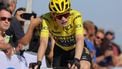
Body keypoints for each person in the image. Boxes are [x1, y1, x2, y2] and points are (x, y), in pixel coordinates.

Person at [36, 0, 91, 69]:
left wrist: (76, 59)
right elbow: (43, 42)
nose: (64, 19)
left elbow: (79, 38)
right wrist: (39, 62)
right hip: (60, 49)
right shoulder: (47, 19)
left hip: (76, 47)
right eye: (59, 17)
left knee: (84, 66)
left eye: (66, 15)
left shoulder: (76, 15)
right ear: (53, 16)